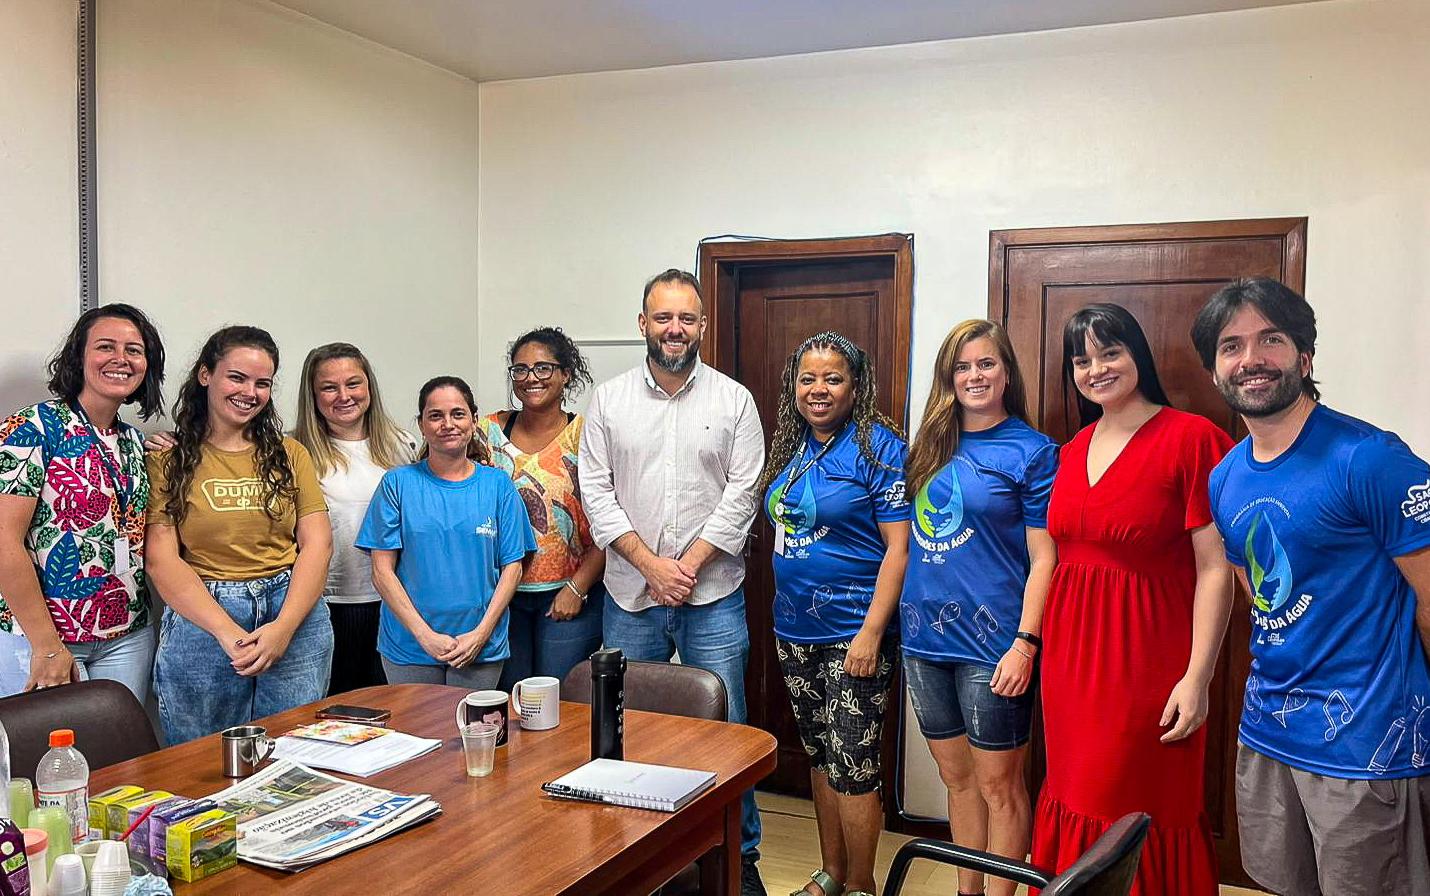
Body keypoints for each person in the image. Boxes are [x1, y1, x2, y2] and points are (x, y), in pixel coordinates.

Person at [1194, 278, 1430, 896]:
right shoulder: (1225, 479)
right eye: (1230, 346)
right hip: (1270, 732)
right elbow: (1260, 600)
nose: (1250, 359)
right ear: (1215, 369)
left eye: (1270, 339)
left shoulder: (1370, 459)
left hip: (1367, 746)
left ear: (1303, 356)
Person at [1030, 303, 1233, 895]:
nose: (1096, 369)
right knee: (1073, 792)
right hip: (1070, 667)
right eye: (1082, 360)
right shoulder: (1069, 451)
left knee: (1136, 801)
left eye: (1109, 352)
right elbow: (1055, 559)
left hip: (1148, 661)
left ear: (1137, 355)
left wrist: (1197, 678)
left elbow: (1215, 570)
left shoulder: (1194, 439)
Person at [578, 269, 767, 895]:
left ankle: (740, 861)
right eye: (663, 317)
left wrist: (686, 566)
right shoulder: (607, 401)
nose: (675, 329)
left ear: (703, 325)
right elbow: (596, 495)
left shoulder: (734, 401)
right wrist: (651, 566)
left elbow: (743, 495)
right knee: (628, 727)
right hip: (631, 597)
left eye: (686, 317)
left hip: (712, 595)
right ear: (643, 325)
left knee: (728, 729)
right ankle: (634, 854)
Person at [899, 320, 1056, 896]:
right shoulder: (929, 447)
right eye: (962, 367)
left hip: (994, 648)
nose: (974, 376)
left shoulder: (1033, 451)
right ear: (949, 378)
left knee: (1001, 788)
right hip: (922, 642)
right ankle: (969, 892)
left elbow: (1046, 558)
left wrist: (1026, 642)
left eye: (986, 364)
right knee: (957, 780)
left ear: (1006, 373)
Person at [758, 331, 909, 896]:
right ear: (793, 386)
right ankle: (832, 874)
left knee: (855, 766)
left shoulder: (877, 445)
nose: (818, 390)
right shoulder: (792, 446)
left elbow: (900, 546)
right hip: (793, 630)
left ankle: (863, 886)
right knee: (821, 758)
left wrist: (871, 633)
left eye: (833, 378)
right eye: (807, 378)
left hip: (854, 634)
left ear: (855, 386)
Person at [146, 326, 334, 744]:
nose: (250, 392)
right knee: (202, 760)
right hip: (205, 614)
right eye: (237, 377)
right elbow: (161, 558)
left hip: (293, 608)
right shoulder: (168, 458)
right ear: (205, 375)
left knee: (292, 756)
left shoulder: (289, 453)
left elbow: (317, 544)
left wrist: (283, 627)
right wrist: (227, 633)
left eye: (262, 383)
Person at [0, 305, 166, 700]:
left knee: (119, 758)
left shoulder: (132, 442)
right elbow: (4, 541)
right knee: (47, 759)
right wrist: (47, 645)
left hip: (127, 635)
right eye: (105, 346)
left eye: (134, 350)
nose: (121, 360)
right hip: (46, 638)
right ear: (79, 357)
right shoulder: (30, 429)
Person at [357, 376, 534, 688]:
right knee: (415, 735)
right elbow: (382, 572)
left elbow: (513, 568)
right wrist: (424, 636)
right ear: (422, 425)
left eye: (458, 414)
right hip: (409, 645)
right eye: (435, 416)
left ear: (474, 420)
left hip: (479, 645)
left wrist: (481, 634)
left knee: (470, 734)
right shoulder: (397, 484)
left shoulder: (498, 486)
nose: (447, 424)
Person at [478, 327, 605, 691]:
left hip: (570, 594)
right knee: (510, 703)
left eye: (543, 368)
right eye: (520, 370)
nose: (531, 378)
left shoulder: (587, 434)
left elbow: (610, 520)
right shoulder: (486, 433)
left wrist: (577, 589)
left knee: (558, 704)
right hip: (501, 596)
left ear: (566, 374)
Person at [293, 343, 419, 695]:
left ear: (369, 387)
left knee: (393, 706)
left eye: (353, 384)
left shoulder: (402, 446)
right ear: (313, 395)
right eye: (329, 387)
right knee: (334, 710)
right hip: (327, 604)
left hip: (393, 601)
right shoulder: (294, 450)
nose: (343, 396)